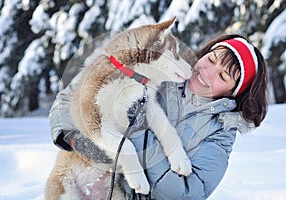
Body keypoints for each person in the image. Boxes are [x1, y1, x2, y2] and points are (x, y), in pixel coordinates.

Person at [49, 34, 268, 199]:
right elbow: (75, 92)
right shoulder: (162, 65)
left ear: (233, 92)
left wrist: (139, 132)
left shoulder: (219, 135)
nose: (206, 72)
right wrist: (70, 135)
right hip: (82, 180)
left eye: (223, 76)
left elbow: (187, 193)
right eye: (211, 60)